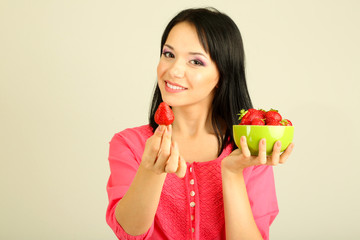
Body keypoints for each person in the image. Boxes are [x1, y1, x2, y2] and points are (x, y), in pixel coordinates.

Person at [106, 7, 294, 240]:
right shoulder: (129, 144)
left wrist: (233, 172)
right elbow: (129, 232)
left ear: (222, 75)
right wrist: (150, 171)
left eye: (195, 61)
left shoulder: (248, 148)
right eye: (168, 54)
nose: (174, 70)